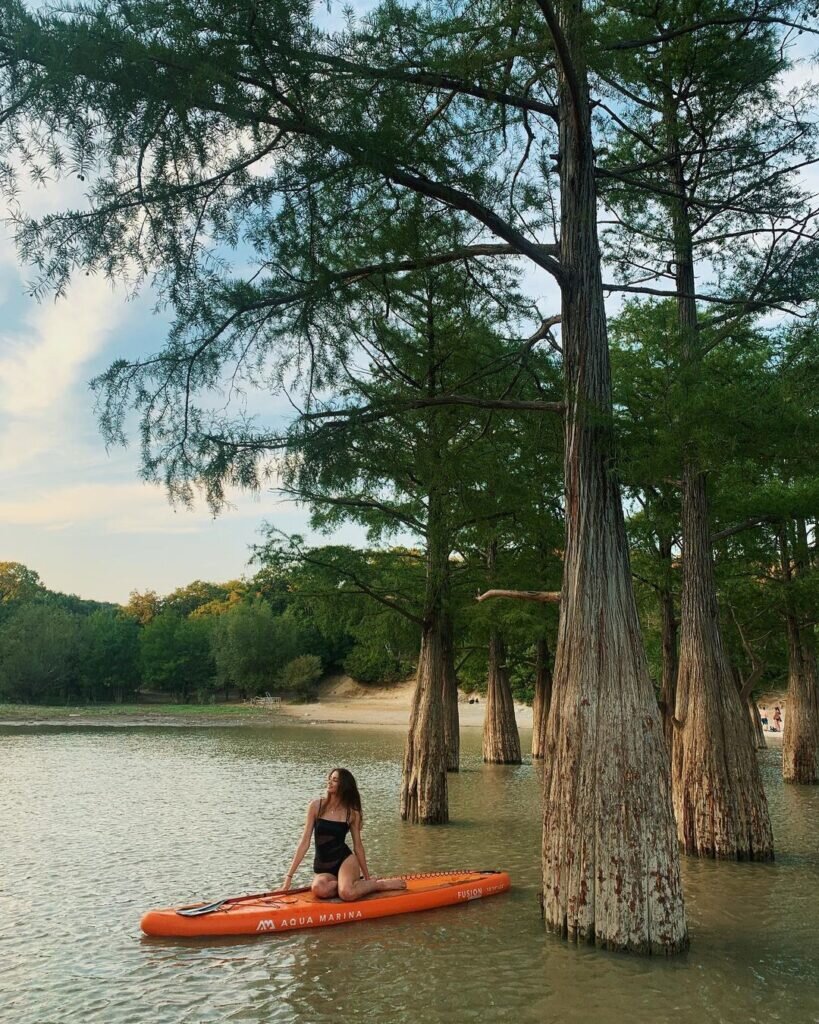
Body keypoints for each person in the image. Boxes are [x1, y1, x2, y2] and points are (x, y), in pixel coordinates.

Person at [282, 768, 407, 901]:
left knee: (346, 894)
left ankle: (376, 885)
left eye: (335, 780)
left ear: (344, 786)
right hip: (324, 866)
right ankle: (348, 883)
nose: (329, 782)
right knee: (319, 888)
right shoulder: (316, 806)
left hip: (345, 861)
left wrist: (367, 876)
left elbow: (358, 846)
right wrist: (288, 878)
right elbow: (304, 843)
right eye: (329, 779)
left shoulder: (352, 813)